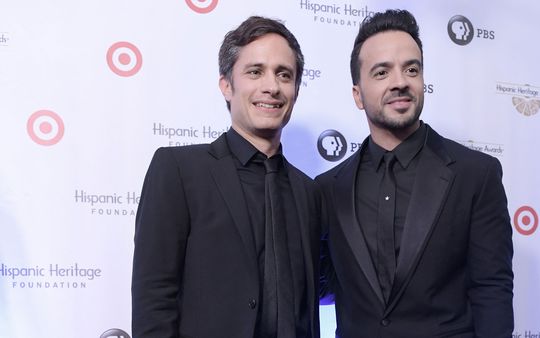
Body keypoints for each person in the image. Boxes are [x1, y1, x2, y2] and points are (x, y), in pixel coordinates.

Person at [316, 9, 514, 338]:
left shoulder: (475, 175)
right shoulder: (327, 188)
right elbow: (321, 286)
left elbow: (492, 291)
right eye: (381, 72)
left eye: (412, 69)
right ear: (357, 95)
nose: (400, 82)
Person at [132, 16, 321, 338]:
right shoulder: (178, 170)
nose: (271, 86)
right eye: (255, 71)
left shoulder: (308, 191)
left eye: (284, 75)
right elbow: (154, 296)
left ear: (296, 90)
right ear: (226, 85)